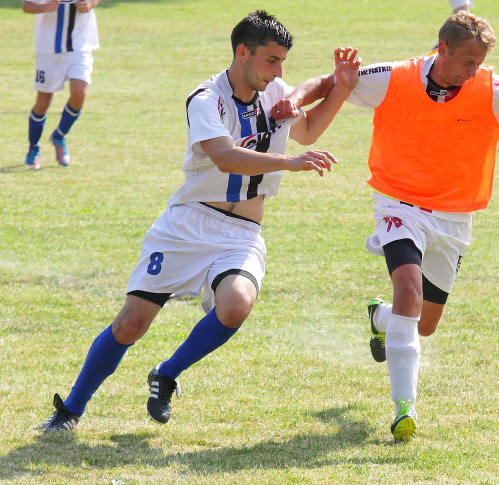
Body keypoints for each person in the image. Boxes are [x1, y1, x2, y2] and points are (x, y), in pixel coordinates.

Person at [293, 10, 499, 441]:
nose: (475, 70)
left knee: (422, 323)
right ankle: (403, 408)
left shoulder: (490, 88)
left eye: (480, 62)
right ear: (442, 49)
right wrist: (294, 100)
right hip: (400, 202)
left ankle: (381, 318)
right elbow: (332, 80)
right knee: (409, 292)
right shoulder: (396, 77)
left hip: (453, 215)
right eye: (469, 61)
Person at [41, 10, 361, 432]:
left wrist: (341, 85)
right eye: (271, 59)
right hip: (187, 224)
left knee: (237, 304)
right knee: (131, 323)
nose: (279, 71)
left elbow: (311, 125)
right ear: (242, 52)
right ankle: (71, 409)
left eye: (283, 61)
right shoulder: (206, 98)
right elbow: (225, 156)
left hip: (242, 233)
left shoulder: (275, 90)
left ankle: (166, 374)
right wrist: (291, 162)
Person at [22, 0, 101, 169]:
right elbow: (26, 5)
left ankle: (59, 135)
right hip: (48, 49)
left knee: (79, 93)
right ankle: (33, 148)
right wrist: (45, 7)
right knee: (43, 102)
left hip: (80, 45)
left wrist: (91, 3)